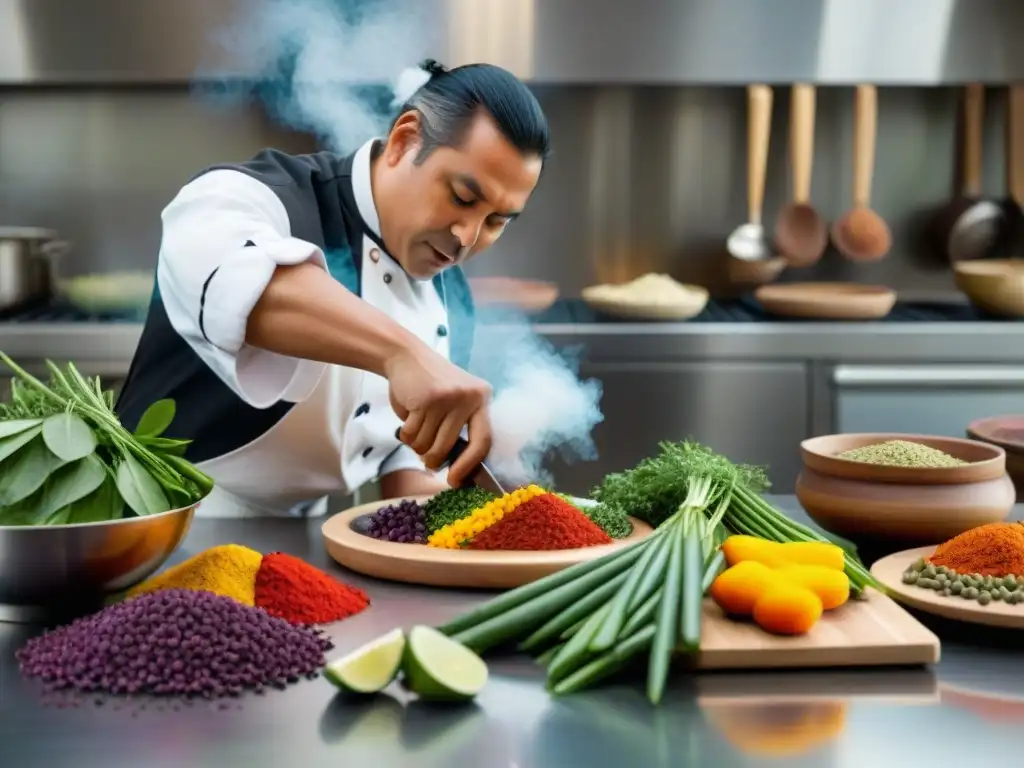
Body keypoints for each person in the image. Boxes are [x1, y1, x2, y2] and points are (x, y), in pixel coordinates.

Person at [115, 59, 550, 518]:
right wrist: (403, 355)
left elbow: (412, 476)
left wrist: (483, 510)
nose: (467, 237)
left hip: (295, 547)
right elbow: (248, 288)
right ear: (406, 140)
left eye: (497, 221)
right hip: (151, 525)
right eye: (462, 197)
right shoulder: (247, 198)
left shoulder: (451, 300)